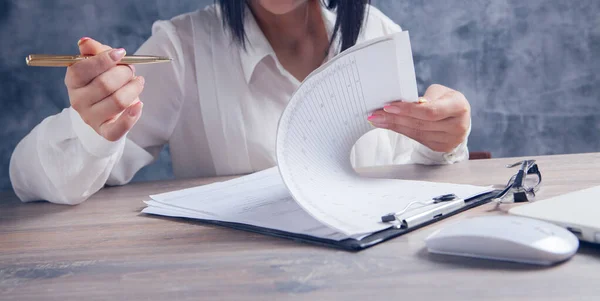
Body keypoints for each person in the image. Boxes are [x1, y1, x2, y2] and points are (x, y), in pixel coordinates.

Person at [9, 0, 472, 205]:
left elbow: (418, 181)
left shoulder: (378, 36)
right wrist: (92, 129)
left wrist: (443, 141)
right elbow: (30, 179)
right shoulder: (183, 49)